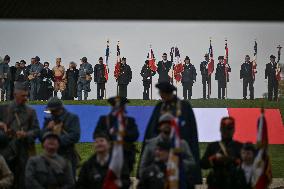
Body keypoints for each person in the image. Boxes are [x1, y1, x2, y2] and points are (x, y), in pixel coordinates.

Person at [142, 82, 202, 185]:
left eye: (162, 93)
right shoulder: (160, 106)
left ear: (167, 93)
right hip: (160, 150)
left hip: (179, 148)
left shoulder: (184, 106)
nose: (160, 96)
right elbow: (152, 129)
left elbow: (190, 131)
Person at [139, 113, 196, 188]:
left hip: (177, 181)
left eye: (170, 123)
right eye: (164, 123)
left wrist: (175, 162)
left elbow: (192, 163)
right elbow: (142, 169)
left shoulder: (182, 144)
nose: (167, 126)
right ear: (159, 127)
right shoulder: (151, 144)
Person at [0, 83, 40, 189]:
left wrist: (26, 134)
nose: (26, 98)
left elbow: (36, 131)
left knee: (23, 182)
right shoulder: (3, 109)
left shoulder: (31, 112)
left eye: (27, 96)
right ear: (15, 94)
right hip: (5, 151)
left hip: (23, 152)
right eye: (23, 96)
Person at [94, 96, 139, 174]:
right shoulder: (104, 120)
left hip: (125, 153)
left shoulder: (129, 121)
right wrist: (109, 134)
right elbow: (96, 134)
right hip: (107, 153)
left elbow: (135, 135)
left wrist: (123, 133)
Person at [41, 97, 80, 177]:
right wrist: (47, 129)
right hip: (50, 156)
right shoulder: (49, 120)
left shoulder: (72, 118)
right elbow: (41, 137)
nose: (52, 113)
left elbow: (75, 136)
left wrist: (56, 141)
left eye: (53, 111)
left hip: (67, 155)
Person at [200, 116, 243, 189]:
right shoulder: (213, 146)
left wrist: (232, 160)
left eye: (229, 128)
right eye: (224, 128)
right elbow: (202, 164)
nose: (226, 131)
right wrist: (213, 159)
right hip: (216, 183)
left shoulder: (240, 147)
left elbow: (248, 165)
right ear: (220, 129)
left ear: (233, 130)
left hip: (234, 183)